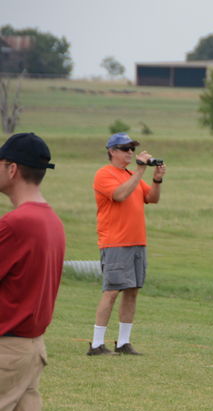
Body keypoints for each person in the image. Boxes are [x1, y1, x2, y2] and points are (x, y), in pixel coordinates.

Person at [0, 132, 65, 411]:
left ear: (11, 169)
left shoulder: (15, 223)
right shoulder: (51, 221)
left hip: (6, 350)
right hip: (31, 350)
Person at [87, 133, 165, 356]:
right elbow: (119, 195)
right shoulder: (104, 174)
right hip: (115, 242)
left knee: (132, 291)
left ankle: (123, 342)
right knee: (111, 291)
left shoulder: (131, 174)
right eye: (125, 148)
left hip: (137, 241)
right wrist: (141, 170)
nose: (130, 152)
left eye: (132, 148)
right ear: (112, 151)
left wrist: (157, 179)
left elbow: (152, 198)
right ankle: (96, 344)